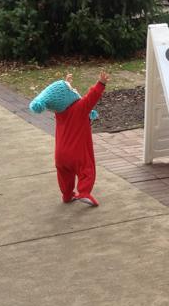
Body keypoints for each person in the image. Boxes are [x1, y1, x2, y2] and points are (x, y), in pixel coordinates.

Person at [29, 70, 109, 206]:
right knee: (87, 170)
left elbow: (59, 99)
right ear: (67, 95)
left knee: (65, 175)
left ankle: (67, 195)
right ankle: (84, 192)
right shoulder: (80, 109)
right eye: (72, 89)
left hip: (60, 155)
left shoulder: (59, 113)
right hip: (77, 153)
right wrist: (101, 84)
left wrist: (67, 83)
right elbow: (91, 97)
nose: (75, 90)